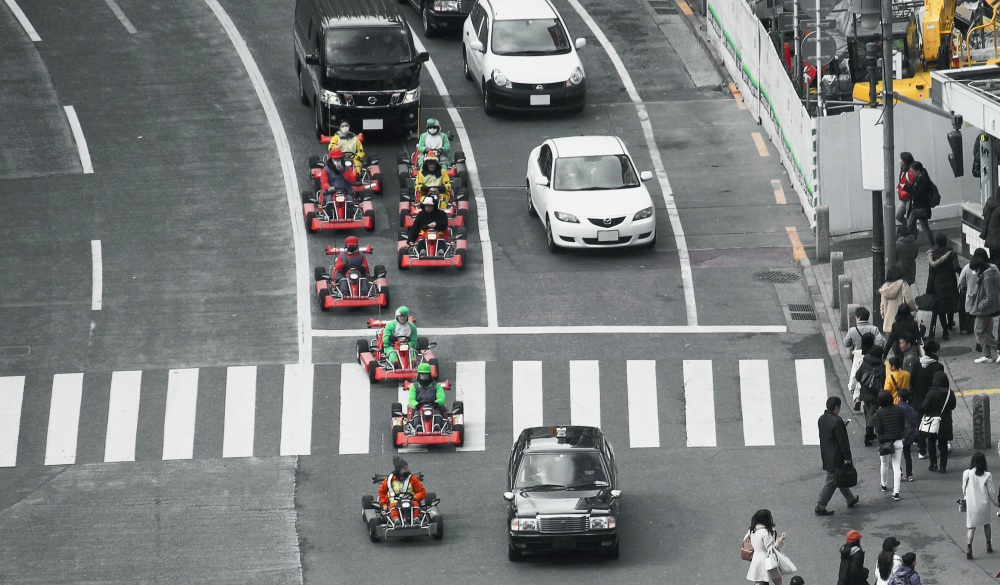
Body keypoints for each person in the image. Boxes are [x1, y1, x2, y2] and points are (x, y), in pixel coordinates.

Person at [817, 396, 860, 515]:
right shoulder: (837, 421)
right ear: (837, 407)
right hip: (836, 456)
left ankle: (850, 499)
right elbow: (843, 442)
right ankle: (820, 506)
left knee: (840, 477)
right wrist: (847, 458)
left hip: (827, 453)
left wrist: (842, 426)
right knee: (831, 481)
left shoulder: (822, 419)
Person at [874, 390, 910, 501]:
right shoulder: (899, 410)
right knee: (896, 466)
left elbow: (879, 429)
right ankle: (896, 492)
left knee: (884, 464)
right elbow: (902, 426)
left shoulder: (879, 413)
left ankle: (884, 484)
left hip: (884, 442)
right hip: (897, 441)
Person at [911, 339, 944, 459]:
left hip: (918, 400)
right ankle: (935, 447)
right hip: (932, 400)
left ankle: (922, 450)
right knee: (934, 424)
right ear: (935, 352)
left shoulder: (916, 364)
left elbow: (912, 383)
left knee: (920, 424)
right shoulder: (938, 367)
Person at [925, 233, 962, 340]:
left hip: (938, 285)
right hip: (950, 283)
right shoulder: (952, 254)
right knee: (950, 304)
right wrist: (964, 273)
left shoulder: (932, 256)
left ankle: (945, 331)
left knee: (940, 308)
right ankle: (950, 323)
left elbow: (931, 275)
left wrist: (928, 291)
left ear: (936, 243)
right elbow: (956, 268)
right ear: (946, 242)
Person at [963, 451, 999, 559]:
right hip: (984, 504)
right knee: (986, 524)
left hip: (971, 504)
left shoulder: (967, 473)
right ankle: (988, 544)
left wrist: (965, 498)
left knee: (971, 527)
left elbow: (964, 488)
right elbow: (991, 492)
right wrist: (997, 503)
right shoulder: (987, 475)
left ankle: (969, 547)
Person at [920, 371, 957, 473]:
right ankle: (943, 467)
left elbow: (924, 406)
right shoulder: (950, 393)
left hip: (933, 421)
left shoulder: (931, 392)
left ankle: (933, 464)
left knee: (931, 442)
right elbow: (953, 406)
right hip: (945, 421)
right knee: (943, 444)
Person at [970, 249, 1000, 363]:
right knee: (985, 331)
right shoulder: (994, 269)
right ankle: (986, 354)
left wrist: (979, 305)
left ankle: (997, 347)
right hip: (990, 306)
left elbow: (989, 297)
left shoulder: (987, 277)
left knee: (979, 331)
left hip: (984, 308)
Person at [377, 456, 426, 523]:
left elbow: (422, 492)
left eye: (407, 468)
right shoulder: (389, 480)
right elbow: (382, 492)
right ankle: (396, 520)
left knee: (415, 504)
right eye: (405, 469)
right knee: (393, 507)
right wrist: (384, 504)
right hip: (394, 501)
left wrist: (415, 497)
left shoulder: (413, 479)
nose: (407, 470)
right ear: (399, 470)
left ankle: (415, 519)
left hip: (410, 500)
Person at [745, 509, 787, 585]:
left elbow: (745, 540)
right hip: (767, 560)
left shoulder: (752, 530)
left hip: (756, 559)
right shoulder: (765, 532)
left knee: (759, 582)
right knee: (778, 581)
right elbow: (771, 549)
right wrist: (780, 540)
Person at [856, 345, 886, 446]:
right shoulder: (880, 365)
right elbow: (883, 380)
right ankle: (868, 436)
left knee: (868, 412)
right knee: (872, 414)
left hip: (864, 392)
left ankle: (870, 432)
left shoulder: (865, 361)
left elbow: (858, 375)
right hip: (874, 394)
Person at [880, 265, 917, 342]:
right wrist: (915, 308)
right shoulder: (903, 284)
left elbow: (882, 306)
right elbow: (909, 300)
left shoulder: (884, 288)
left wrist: (884, 317)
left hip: (889, 324)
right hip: (902, 321)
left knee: (892, 347)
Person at [904, 161, 935, 246]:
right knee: (918, 226)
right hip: (917, 207)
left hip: (920, 208)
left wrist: (907, 188)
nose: (911, 173)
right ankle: (932, 244)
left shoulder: (924, 180)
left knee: (913, 226)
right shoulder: (919, 177)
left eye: (912, 171)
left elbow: (917, 193)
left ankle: (911, 244)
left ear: (918, 171)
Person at [959, 249, 987, 337]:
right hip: (985, 296)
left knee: (971, 313)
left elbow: (961, 281)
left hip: (970, 294)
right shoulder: (988, 268)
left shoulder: (967, 267)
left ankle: (971, 329)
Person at [848, 332, 877, 412]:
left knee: (858, 386)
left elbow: (854, 371)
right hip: (873, 379)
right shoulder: (876, 353)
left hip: (861, 378)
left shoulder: (858, 354)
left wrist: (851, 386)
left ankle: (857, 399)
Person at [898, 390, 919, 481]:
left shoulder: (897, 408)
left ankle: (899, 472)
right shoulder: (911, 409)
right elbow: (914, 423)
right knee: (908, 455)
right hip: (909, 436)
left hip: (899, 436)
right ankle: (909, 474)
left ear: (899, 398)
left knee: (897, 456)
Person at [896, 152, 915, 230]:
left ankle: (911, 232)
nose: (899, 160)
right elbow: (902, 182)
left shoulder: (910, 172)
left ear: (905, 161)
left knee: (909, 219)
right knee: (898, 216)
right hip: (903, 198)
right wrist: (899, 188)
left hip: (909, 199)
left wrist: (903, 189)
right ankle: (912, 229)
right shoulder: (903, 170)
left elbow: (912, 186)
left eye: (901, 159)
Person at [981, 188, 1000, 265]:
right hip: (998, 242)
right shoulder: (998, 209)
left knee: (993, 262)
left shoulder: (989, 206)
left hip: (990, 240)